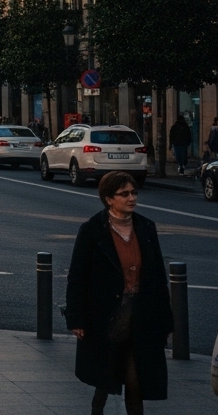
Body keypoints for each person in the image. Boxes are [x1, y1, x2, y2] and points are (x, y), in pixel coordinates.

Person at [66, 172, 173, 415]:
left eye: (134, 193)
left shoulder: (146, 227)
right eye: (124, 194)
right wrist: (76, 319)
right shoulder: (92, 230)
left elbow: (158, 277)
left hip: (140, 314)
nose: (131, 198)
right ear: (108, 199)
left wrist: (165, 320)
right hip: (107, 315)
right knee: (106, 376)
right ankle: (97, 408)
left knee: (135, 380)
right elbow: (77, 277)